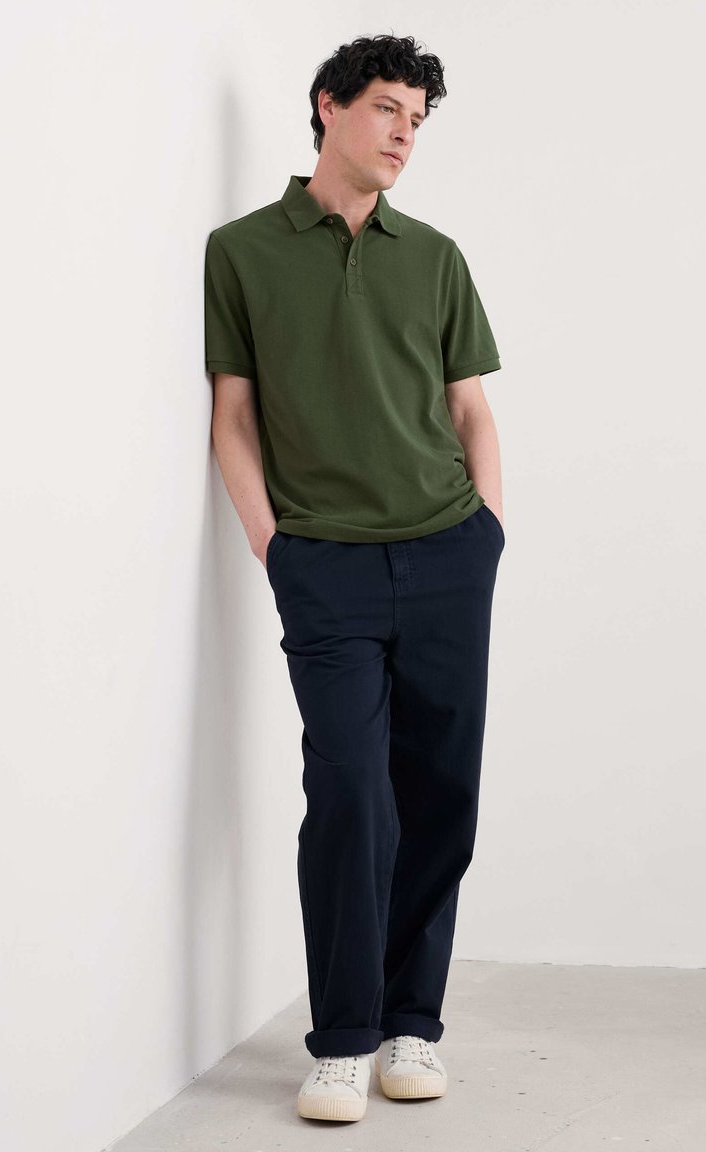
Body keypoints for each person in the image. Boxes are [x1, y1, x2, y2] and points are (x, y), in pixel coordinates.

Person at [204, 32, 505, 1123]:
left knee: (439, 794)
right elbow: (233, 417)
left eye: (417, 120)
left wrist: (487, 534)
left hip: (446, 552)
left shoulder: (435, 257)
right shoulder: (241, 252)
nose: (403, 135)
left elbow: (470, 409)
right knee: (348, 794)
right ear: (328, 106)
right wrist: (274, 545)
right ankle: (339, 1039)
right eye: (387, 108)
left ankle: (410, 1024)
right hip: (323, 564)